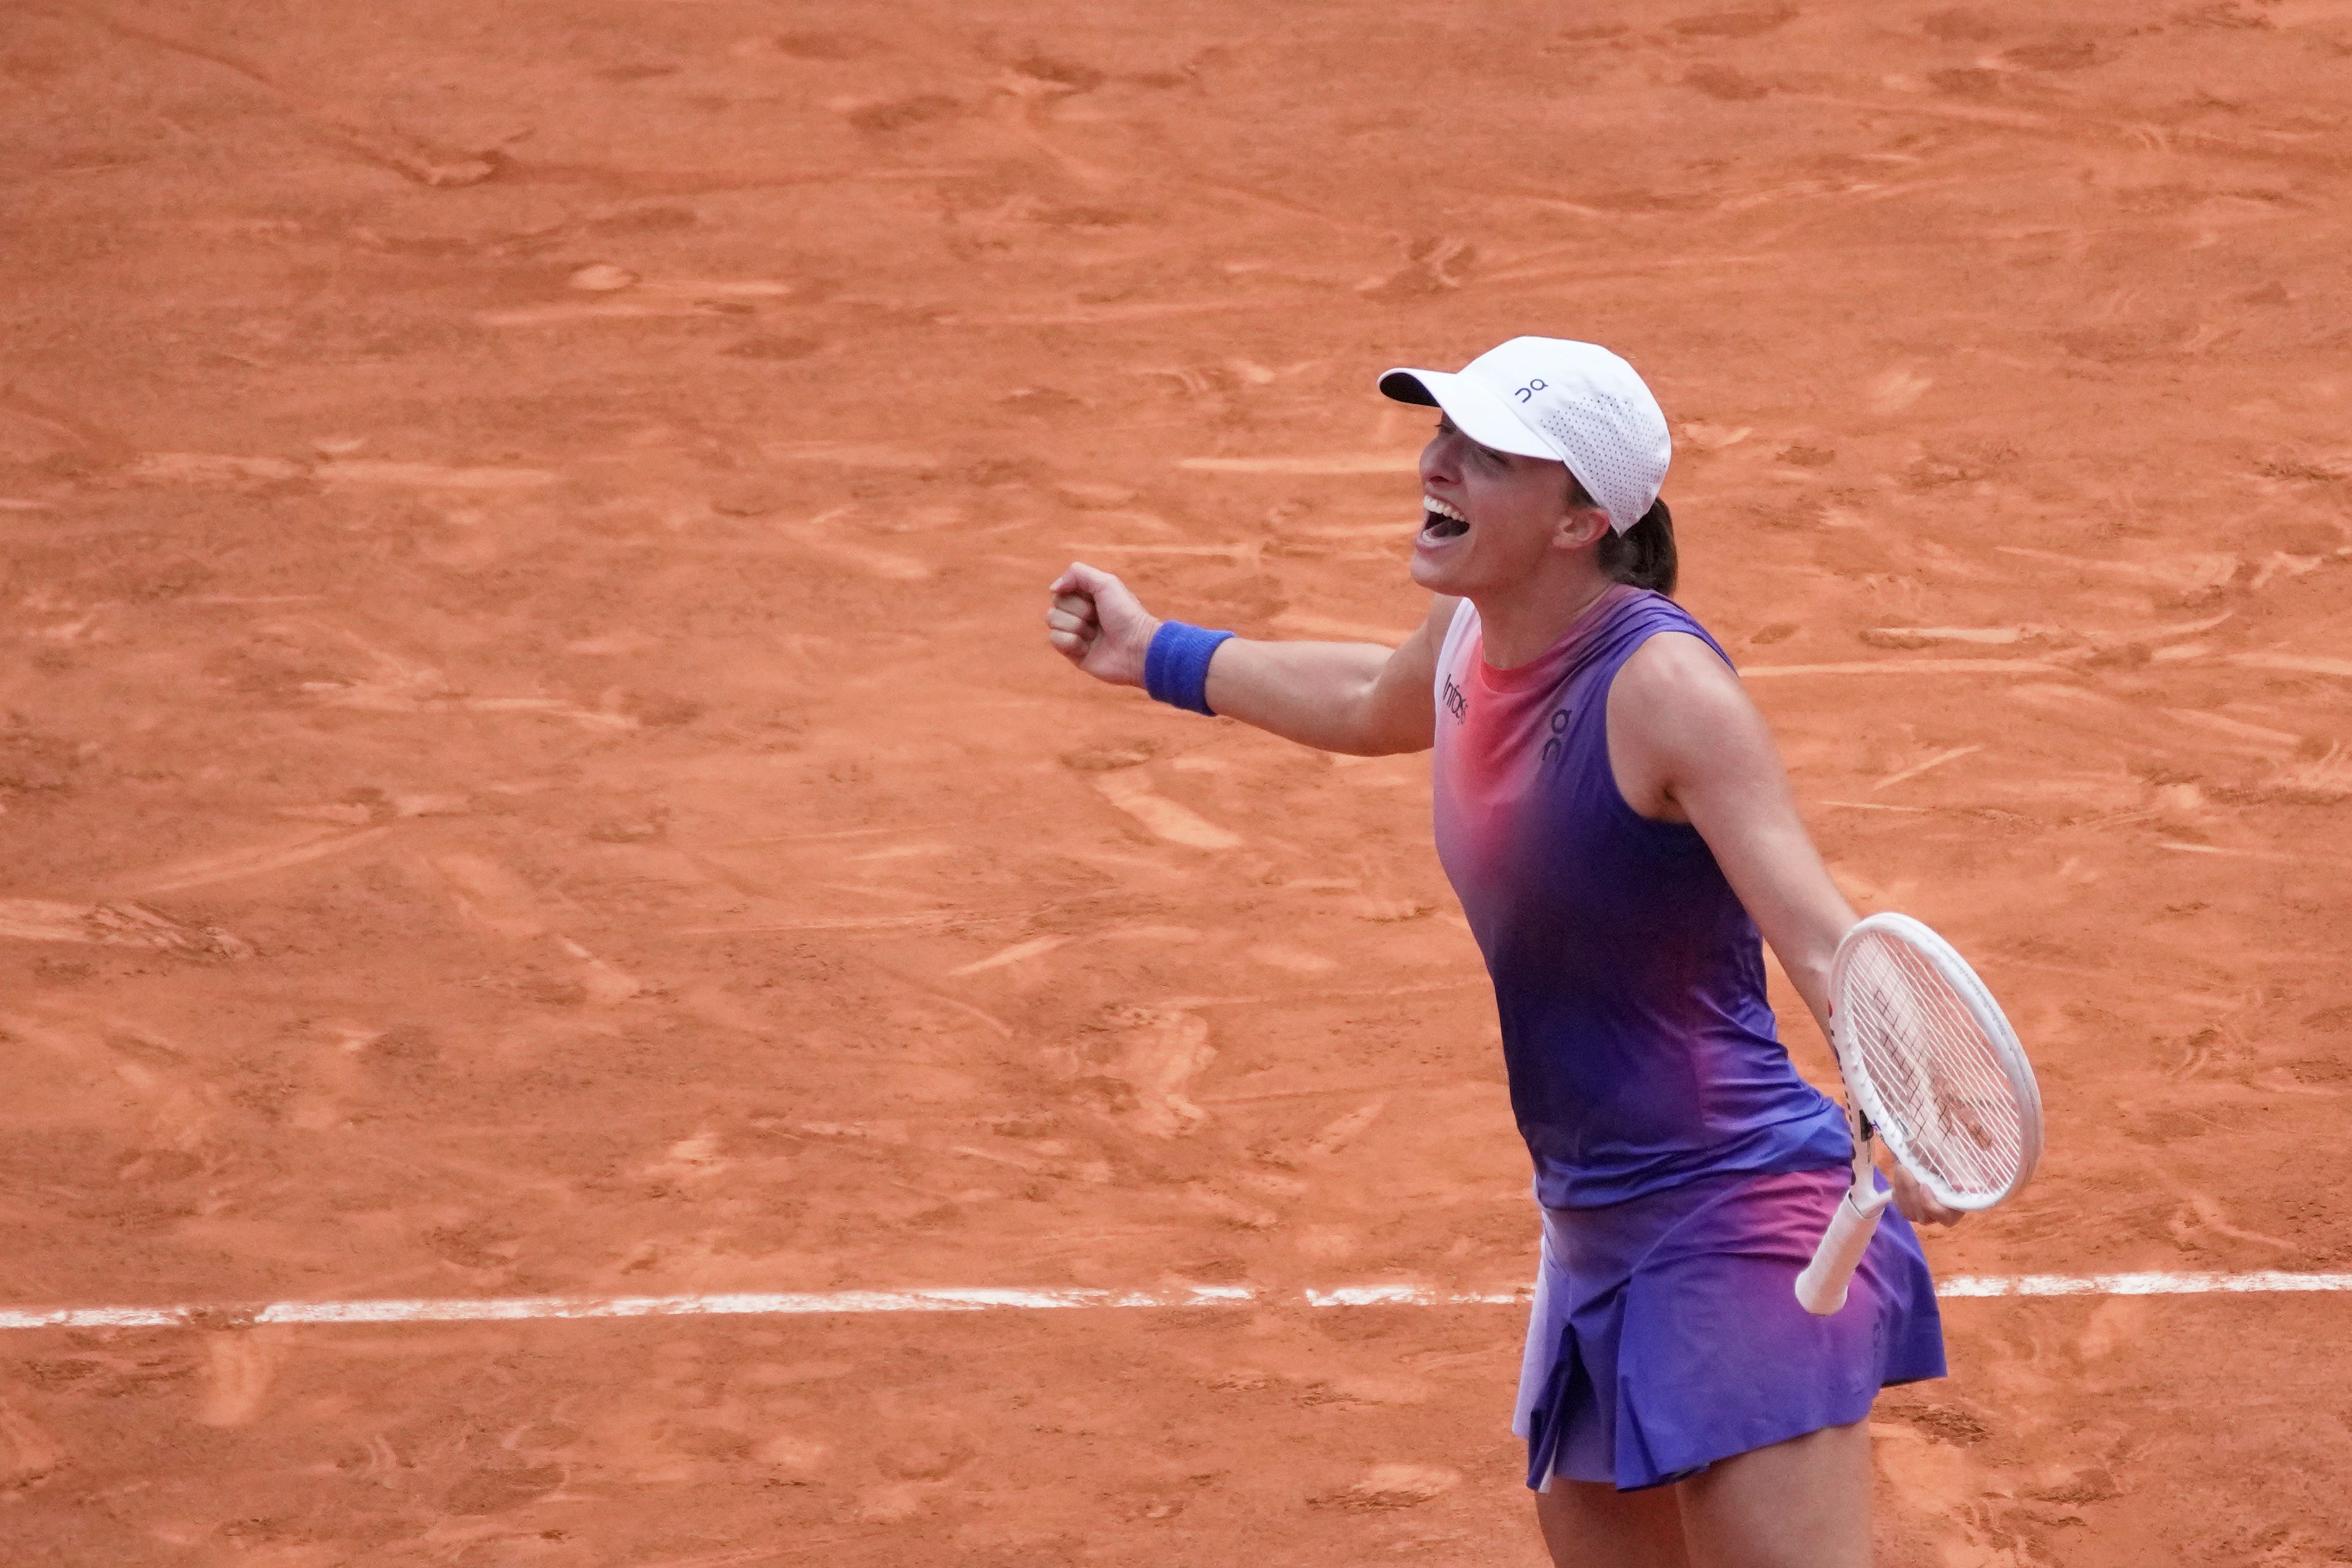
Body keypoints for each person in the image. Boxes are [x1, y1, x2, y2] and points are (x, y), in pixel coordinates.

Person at [1044, 337, 1956, 1567]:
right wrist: (1155, 651)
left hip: (1741, 1220)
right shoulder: (1474, 633)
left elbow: (1820, 930)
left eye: (1485, 454)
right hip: (1591, 1223)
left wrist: (1909, 1090)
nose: (1437, 464)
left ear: (1581, 518)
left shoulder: (1666, 690)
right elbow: (1375, 696)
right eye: (1442, 437)